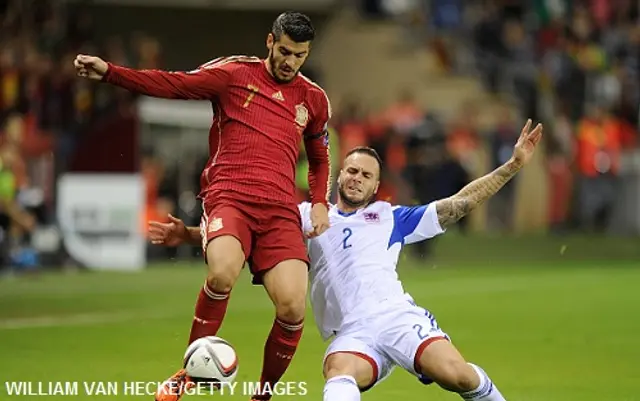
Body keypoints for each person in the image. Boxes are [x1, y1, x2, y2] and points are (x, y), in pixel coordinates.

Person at [150, 119, 543, 400]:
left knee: (457, 376)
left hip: (396, 317)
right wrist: (185, 234)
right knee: (337, 374)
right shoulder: (306, 215)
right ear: (338, 176)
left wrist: (512, 167)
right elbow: (246, 234)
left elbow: (460, 203)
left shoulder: (391, 217)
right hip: (351, 333)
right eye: (351, 170)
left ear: (376, 185)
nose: (356, 177)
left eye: (366, 175)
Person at [74, 12, 332, 401]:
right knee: (223, 273)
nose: (290, 62)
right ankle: (187, 373)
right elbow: (173, 84)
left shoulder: (313, 99)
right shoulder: (233, 74)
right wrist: (111, 72)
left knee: (294, 307)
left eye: (299, 55)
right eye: (284, 51)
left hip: (279, 210)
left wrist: (320, 203)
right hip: (230, 195)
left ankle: (262, 394)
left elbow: (320, 158)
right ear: (269, 42)